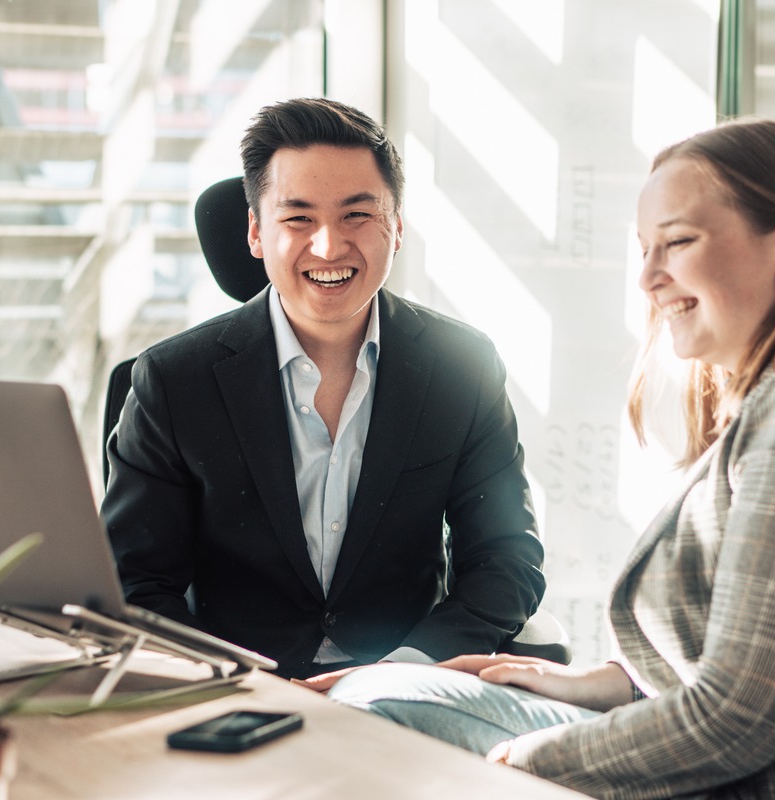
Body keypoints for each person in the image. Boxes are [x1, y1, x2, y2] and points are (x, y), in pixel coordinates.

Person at [317, 118, 775, 798]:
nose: (647, 277)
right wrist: (594, 686)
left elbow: (740, 717)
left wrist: (527, 763)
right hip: (760, 766)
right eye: (644, 249)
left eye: (677, 243)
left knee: (371, 712)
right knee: (381, 693)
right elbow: (759, 661)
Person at [101, 97, 546, 680]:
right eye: (299, 219)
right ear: (257, 232)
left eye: (357, 215)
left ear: (398, 226)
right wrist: (240, 683)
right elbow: (134, 581)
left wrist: (403, 672)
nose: (329, 247)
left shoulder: (462, 366)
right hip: (237, 694)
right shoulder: (172, 381)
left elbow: (507, 558)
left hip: (405, 690)